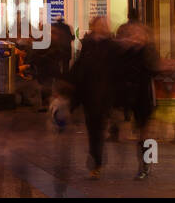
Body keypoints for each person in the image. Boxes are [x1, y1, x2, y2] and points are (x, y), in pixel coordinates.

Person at [66, 15, 119, 179]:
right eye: (100, 24)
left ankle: (97, 161)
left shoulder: (112, 45)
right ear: (94, 26)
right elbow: (80, 67)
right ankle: (96, 156)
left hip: (104, 94)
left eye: (105, 24)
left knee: (99, 128)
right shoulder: (88, 44)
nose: (104, 27)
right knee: (93, 129)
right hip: (89, 93)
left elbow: (118, 70)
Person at [115, 14, 158, 179]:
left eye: (139, 33)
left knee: (145, 132)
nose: (135, 36)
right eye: (133, 34)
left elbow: (153, 68)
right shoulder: (126, 52)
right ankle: (144, 163)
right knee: (134, 133)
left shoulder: (148, 50)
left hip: (145, 95)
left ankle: (147, 165)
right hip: (129, 95)